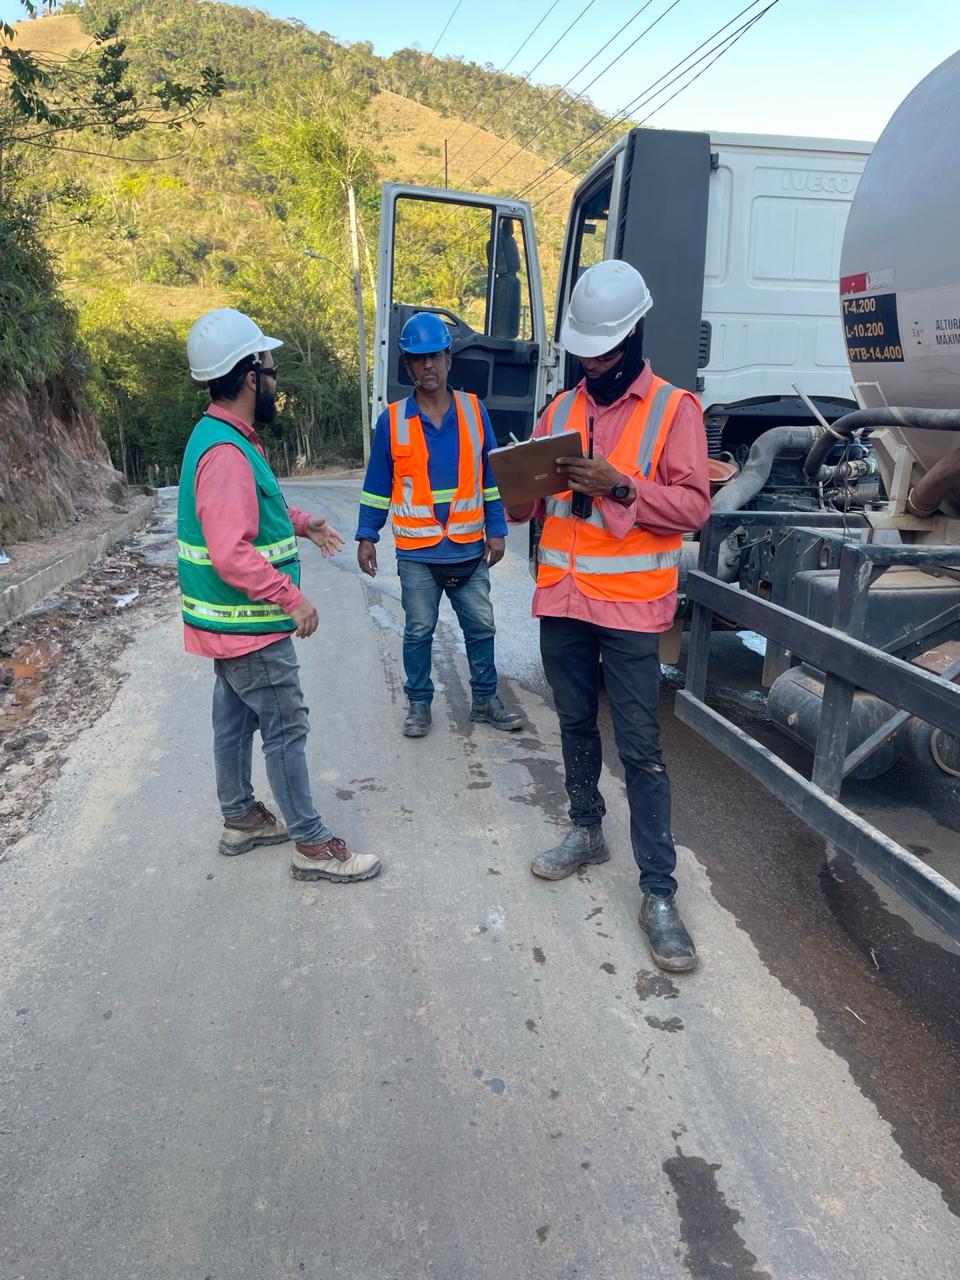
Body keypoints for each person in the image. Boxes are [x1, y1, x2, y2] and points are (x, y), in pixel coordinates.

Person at [506, 261, 710, 972]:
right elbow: (526, 509)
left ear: (633, 336)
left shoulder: (675, 410)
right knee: (571, 723)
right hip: (562, 600)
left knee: (642, 750)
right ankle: (586, 829)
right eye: (584, 352)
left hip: (628, 610)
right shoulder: (558, 411)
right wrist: (515, 487)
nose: (593, 363)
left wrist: (621, 485)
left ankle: (659, 892)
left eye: (605, 351)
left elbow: (694, 507)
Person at [180, 307, 381, 884]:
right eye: (270, 368)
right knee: (285, 726)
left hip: (228, 626)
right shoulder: (226, 453)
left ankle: (241, 817)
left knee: (234, 719)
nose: (275, 379)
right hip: (251, 625)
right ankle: (311, 845)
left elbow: (253, 512)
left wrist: (301, 523)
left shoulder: (223, 437)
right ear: (250, 377)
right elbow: (229, 550)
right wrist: (290, 597)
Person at [356, 311, 522, 738]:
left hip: (469, 547)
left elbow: (490, 476)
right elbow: (378, 485)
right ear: (408, 365)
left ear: (449, 359)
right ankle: (419, 705)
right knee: (418, 631)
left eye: (434, 356)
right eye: (418, 358)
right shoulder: (392, 421)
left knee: (481, 628)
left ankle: (485, 700)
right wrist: (367, 535)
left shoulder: (474, 411)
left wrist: (497, 528)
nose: (427, 365)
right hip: (418, 553)